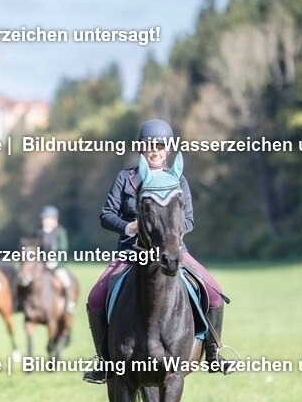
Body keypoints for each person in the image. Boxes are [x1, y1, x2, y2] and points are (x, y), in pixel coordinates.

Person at [84, 118, 232, 384]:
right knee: (96, 297)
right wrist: (130, 227)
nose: (155, 150)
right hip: (131, 251)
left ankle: (214, 352)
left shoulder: (178, 179)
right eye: (150, 145)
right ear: (142, 148)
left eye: (160, 146)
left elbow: (188, 219)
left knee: (214, 293)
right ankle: (104, 361)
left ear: (168, 149)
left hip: (173, 249)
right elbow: (106, 215)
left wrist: (170, 235)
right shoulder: (125, 178)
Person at [36, 205, 75, 313]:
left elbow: (63, 248)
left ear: (54, 219)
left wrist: (54, 261)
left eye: (46, 218)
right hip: (41, 265)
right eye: (43, 219)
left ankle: (70, 303)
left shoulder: (60, 232)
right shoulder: (40, 232)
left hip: (56, 265)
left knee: (65, 281)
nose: (44, 221)